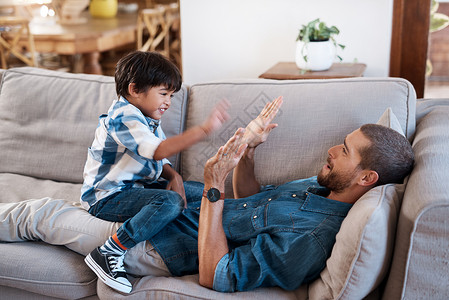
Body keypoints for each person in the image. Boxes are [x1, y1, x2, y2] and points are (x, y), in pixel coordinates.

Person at [81, 51, 229, 293]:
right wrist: (203, 130)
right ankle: (111, 250)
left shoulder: (146, 117)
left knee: (200, 192)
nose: (168, 102)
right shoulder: (123, 117)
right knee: (169, 202)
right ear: (135, 89)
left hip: (136, 189)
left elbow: (158, 160)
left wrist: (175, 176)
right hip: (106, 198)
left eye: (171, 95)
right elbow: (158, 151)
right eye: (163, 94)